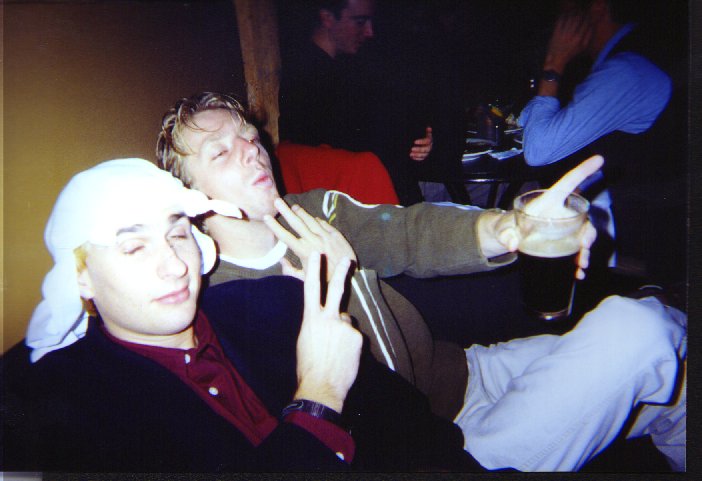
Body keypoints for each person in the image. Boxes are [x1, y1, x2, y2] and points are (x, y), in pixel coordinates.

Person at [155, 92, 687, 471]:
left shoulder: (313, 211)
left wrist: (508, 227)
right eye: (220, 152)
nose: (251, 149)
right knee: (640, 329)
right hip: (437, 451)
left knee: (679, 369)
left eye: (250, 137)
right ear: (189, 198)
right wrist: (320, 286)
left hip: (465, 375)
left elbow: (407, 231)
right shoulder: (219, 306)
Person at [0, 158, 477, 472]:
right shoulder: (63, 410)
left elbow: (415, 431)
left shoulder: (277, 305)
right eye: (134, 247)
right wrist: (318, 396)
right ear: (81, 278)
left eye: (178, 234)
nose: (175, 265)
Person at [518, 0, 686, 286]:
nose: (556, 25)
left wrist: (554, 62)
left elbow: (537, 150)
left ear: (596, 10)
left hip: (648, 248)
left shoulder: (626, 71)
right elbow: (528, 123)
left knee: (528, 210)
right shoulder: (629, 57)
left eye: (565, 14)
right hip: (642, 217)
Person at [277, 0, 434, 206]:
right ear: (327, 18)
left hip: (375, 190)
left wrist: (418, 142)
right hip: (340, 202)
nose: (369, 32)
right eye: (360, 22)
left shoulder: (351, 65)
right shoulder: (305, 74)